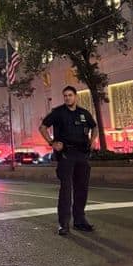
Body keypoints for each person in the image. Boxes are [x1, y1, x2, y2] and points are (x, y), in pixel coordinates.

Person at [39, 85, 98, 236]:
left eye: (70, 95)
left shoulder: (83, 113)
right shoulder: (58, 113)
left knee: (82, 189)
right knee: (66, 190)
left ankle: (79, 221)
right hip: (66, 155)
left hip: (82, 155)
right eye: (65, 95)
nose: (67, 98)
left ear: (75, 96)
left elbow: (94, 127)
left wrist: (92, 140)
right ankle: (63, 224)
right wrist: (52, 143)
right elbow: (43, 127)